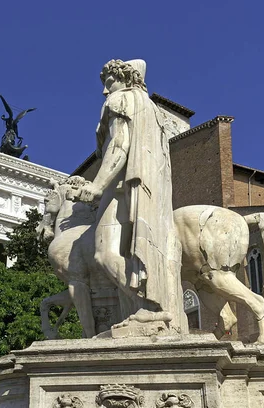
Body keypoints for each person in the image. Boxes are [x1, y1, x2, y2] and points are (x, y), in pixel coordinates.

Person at [76, 59, 185, 331]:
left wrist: (97, 185)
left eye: (109, 82)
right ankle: (151, 307)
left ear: (125, 78)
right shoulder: (153, 111)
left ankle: (150, 305)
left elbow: (119, 145)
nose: (104, 91)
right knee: (129, 251)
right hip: (149, 193)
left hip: (121, 188)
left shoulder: (120, 101)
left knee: (103, 254)